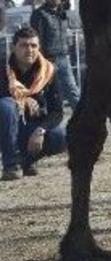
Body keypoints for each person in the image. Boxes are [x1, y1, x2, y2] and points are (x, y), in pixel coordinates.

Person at [1, 26, 68, 180]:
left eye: (33, 45)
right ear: (13, 47)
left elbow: (57, 111)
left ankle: (27, 161)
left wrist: (40, 130)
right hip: (5, 129)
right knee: (6, 105)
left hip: (31, 127)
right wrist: (21, 100)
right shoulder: (3, 69)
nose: (29, 50)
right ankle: (10, 166)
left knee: (61, 135)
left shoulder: (49, 72)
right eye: (24, 45)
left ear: (39, 48)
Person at [29, 0, 79, 109]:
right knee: (45, 91)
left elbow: (76, 23)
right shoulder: (39, 14)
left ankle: (82, 118)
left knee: (72, 90)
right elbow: (35, 38)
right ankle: (44, 117)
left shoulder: (63, 12)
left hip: (63, 57)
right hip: (47, 59)